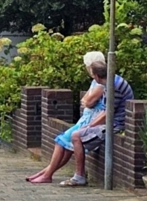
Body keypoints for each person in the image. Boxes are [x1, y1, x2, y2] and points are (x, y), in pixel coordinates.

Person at [28, 52, 105, 184]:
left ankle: (47, 174)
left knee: (61, 141)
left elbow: (88, 101)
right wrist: (86, 100)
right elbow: (84, 99)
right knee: (66, 144)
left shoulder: (99, 85)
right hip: (86, 117)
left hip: (90, 120)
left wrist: (87, 101)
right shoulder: (94, 82)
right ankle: (46, 172)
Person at [59, 61, 133, 187]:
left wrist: (90, 126)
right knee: (78, 133)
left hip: (116, 124)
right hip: (112, 121)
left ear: (97, 76)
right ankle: (79, 175)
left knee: (76, 136)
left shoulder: (113, 87)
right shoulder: (111, 82)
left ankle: (79, 177)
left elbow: (108, 113)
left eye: (93, 75)